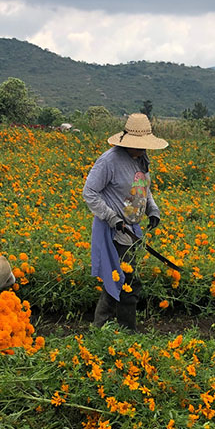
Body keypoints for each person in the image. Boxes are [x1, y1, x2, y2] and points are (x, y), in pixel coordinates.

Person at [83, 113, 169, 332]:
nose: (142, 149)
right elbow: (89, 192)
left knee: (122, 279)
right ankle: (117, 330)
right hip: (114, 231)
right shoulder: (109, 161)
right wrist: (112, 217)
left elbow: (143, 188)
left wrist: (153, 210)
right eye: (138, 145)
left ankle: (114, 330)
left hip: (132, 230)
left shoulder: (140, 158)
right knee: (124, 280)